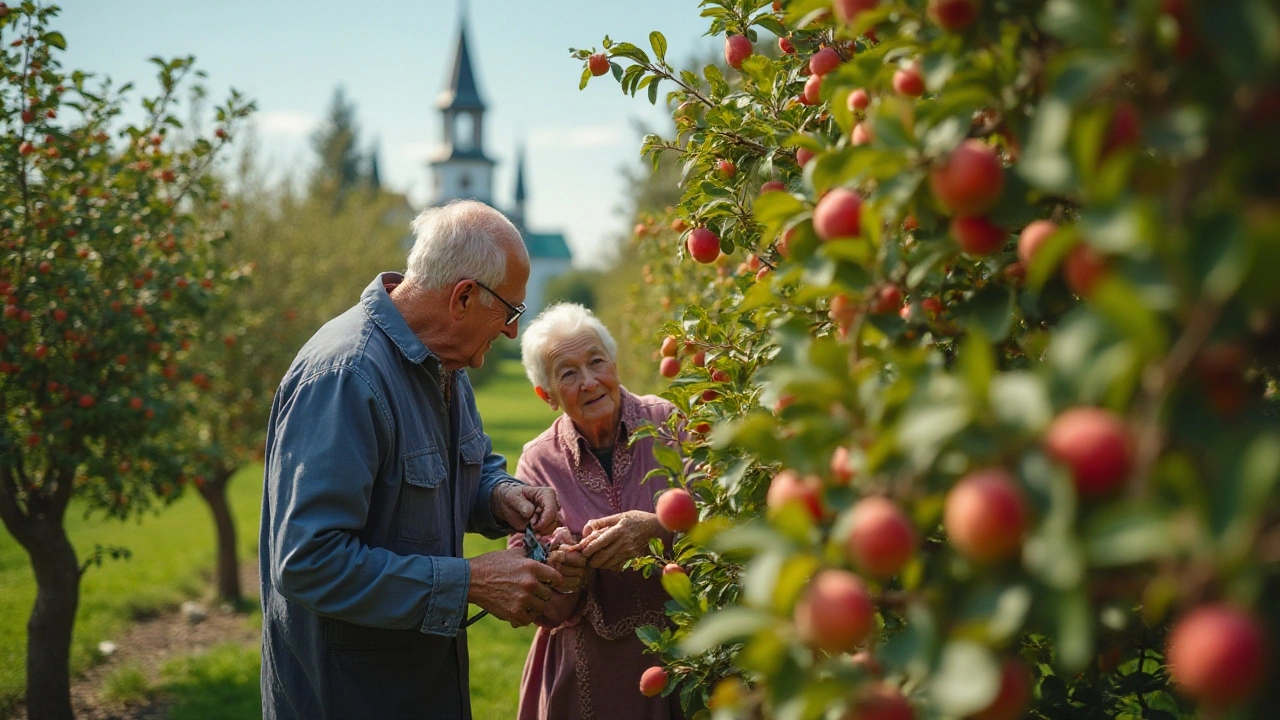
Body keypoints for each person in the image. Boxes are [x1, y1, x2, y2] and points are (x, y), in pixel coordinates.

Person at [259, 200, 571, 720]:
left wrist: (501, 495)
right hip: (351, 699)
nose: (514, 331)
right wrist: (469, 582)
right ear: (464, 297)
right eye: (511, 311)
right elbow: (307, 561)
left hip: (420, 689)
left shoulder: (447, 364)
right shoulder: (347, 377)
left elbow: (458, 472)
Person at [510, 302, 687, 720]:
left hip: (682, 663)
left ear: (615, 364)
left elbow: (722, 518)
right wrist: (561, 574)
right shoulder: (537, 463)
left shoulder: (670, 424)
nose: (589, 382)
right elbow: (527, 591)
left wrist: (659, 528)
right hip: (583, 674)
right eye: (568, 373)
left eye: (596, 362)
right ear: (546, 395)